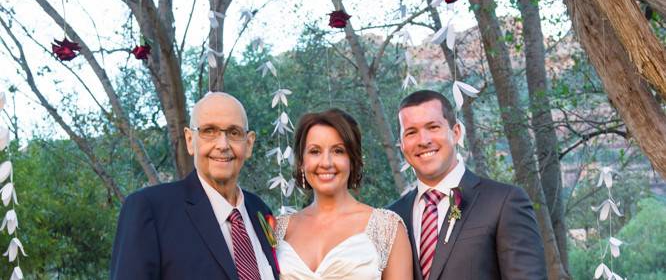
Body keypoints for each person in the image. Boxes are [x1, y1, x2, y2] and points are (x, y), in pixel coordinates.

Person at [110, 92, 279, 280]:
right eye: (209, 131)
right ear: (190, 140)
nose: (223, 145)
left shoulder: (261, 211)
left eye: (234, 133)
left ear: (248, 144)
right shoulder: (149, 209)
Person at [389, 90, 547, 280]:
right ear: (402, 144)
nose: (424, 140)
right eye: (411, 132)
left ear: (456, 132)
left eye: (433, 127)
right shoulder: (392, 218)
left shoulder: (503, 202)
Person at [275, 108, 413, 280]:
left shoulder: (387, 228)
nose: (326, 162)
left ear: (353, 161)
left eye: (338, 151)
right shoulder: (278, 229)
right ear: (302, 162)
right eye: (315, 151)